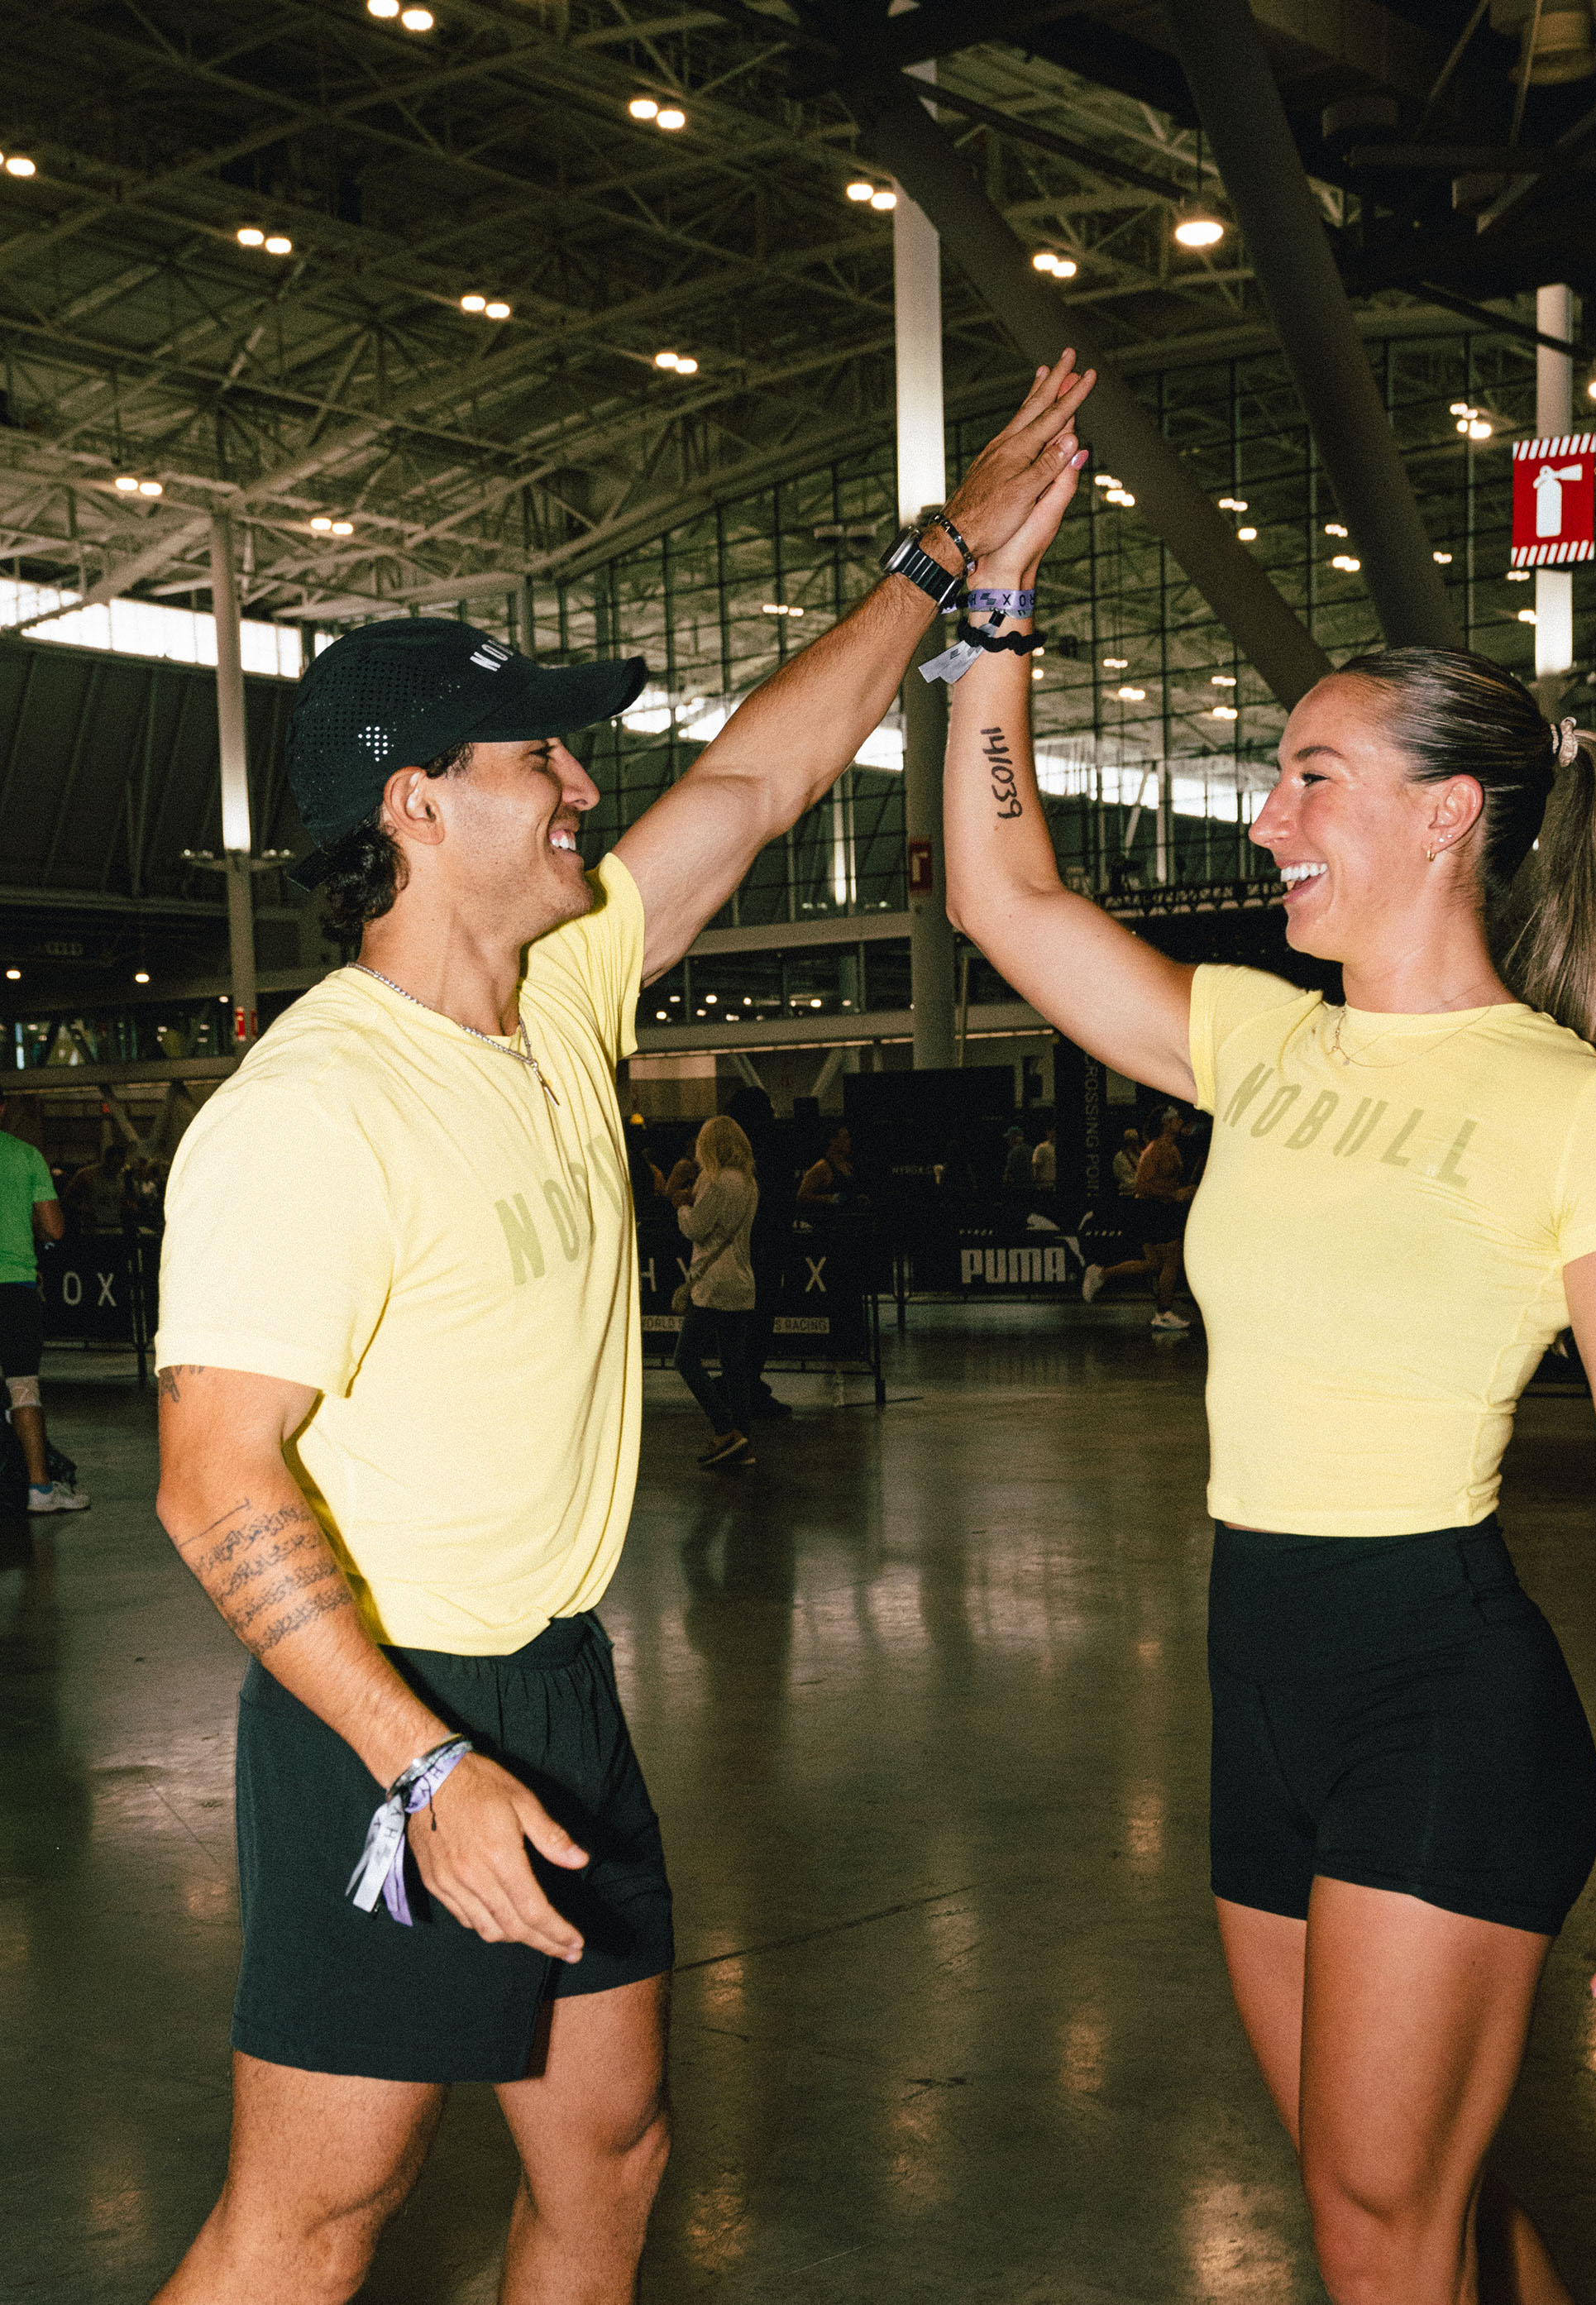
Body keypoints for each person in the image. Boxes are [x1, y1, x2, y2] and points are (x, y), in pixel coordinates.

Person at [147, 350, 1092, 2305]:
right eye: (540, 759)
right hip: (385, 1716)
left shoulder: (563, 989)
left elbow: (755, 780)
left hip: (557, 1684)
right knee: (312, 2224)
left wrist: (936, 562)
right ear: (415, 804)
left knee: (615, 2148)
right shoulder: (311, 1109)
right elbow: (210, 1477)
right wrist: (420, 1767)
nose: (586, 785)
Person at [942, 428, 1596, 2305]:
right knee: (1389, 2212)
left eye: (1311, 776)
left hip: (1437, 1700)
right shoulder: (1261, 1043)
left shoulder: (1584, 1110)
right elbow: (1000, 901)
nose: (1265, 817)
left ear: (1448, 813)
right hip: (1259, 1678)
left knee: (1383, 2236)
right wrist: (992, 610)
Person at [0, 1099, 89, 1514]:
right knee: (23, 1388)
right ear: (2, 1109)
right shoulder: (26, 1156)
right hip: (14, 1290)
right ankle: (40, 1488)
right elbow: (54, 1228)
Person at [672, 1116, 758, 1470]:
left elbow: (697, 1228)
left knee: (685, 1358)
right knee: (735, 1365)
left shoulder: (714, 1180)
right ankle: (742, 1440)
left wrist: (681, 1206)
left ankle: (725, 1430)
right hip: (741, 1280)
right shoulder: (749, 1183)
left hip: (713, 1283)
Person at [1081, 1106, 1194, 1329]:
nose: (1180, 1121)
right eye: (1176, 1118)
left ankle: (1101, 1273)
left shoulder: (1172, 1148)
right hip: (1151, 1209)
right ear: (1165, 1123)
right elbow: (1142, 1186)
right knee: (1172, 1261)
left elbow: (1168, 1181)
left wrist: (1185, 1191)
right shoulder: (1154, 1150)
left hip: (1162, 1209)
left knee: (1153, 1265)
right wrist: (1174, 1194)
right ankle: (1163, 1313)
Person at [724, 1085, 795, 1422]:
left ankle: (739, 1383)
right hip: (767, 1247)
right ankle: (749, 1385)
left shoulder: (734, 1152)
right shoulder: (774, 1146)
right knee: (760, 1319)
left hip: (742, 1247)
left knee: (739, 1323)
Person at [64, 1140, 130, 1234]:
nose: (117, 1169)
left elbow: (121, 1200)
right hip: (93, 1229)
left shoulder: (121, 1177)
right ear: (106, 1160)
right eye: (115, 1165)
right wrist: (83, 1208)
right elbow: (67, 1198)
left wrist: (126, 1205)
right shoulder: (87, 1174)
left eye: (120, 1166)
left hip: (115, 1228)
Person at [796, 1121, 853, 1206]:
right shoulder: (822, 1167)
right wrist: (830, 1198)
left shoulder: (847, 1165)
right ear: (832, 1141)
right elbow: (801, 1197)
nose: (849, 1140)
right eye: (845, 1137)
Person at [1000, 1123, 1031, 1193]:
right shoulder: (1031, 1149)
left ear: (1013, 1138)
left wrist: (1004, 1185)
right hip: (1030, 1185)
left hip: (1017, 1186)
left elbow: (1008, 1172)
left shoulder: (1013, 1152)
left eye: (1009, 1139)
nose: (1008, 1141)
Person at [1111, 1125, 1142, 1194]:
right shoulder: (1120, 1157)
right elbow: (1118, 1175)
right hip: (1129, 1192)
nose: (1135, 1143)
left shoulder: (1139, 1155)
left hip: (1137, 1192)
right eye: (1133, 1141)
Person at [1030, 1121, 1056, 1191]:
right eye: (1052, 1131)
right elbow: (1035, 1167)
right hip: (1045, 1186)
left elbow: (1035, 1168)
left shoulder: (1042, 1148)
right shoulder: (1042, 1148)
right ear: (1048, 1132)